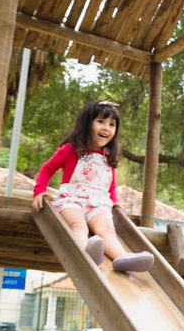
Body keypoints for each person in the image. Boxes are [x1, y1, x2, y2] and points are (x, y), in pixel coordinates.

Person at [32, 99, 153, 273]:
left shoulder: (109, 156)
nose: (106, 128)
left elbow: (110, 181)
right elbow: (47, 169)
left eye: (112, 124)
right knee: (78, 225)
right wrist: (39, 191)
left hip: (98, 203)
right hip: (72, 199)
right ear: (86, 124)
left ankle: (122, 258)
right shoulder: (70, 150)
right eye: (100, 121)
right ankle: (85, 250)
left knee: (107, 231)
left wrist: (114, 200)